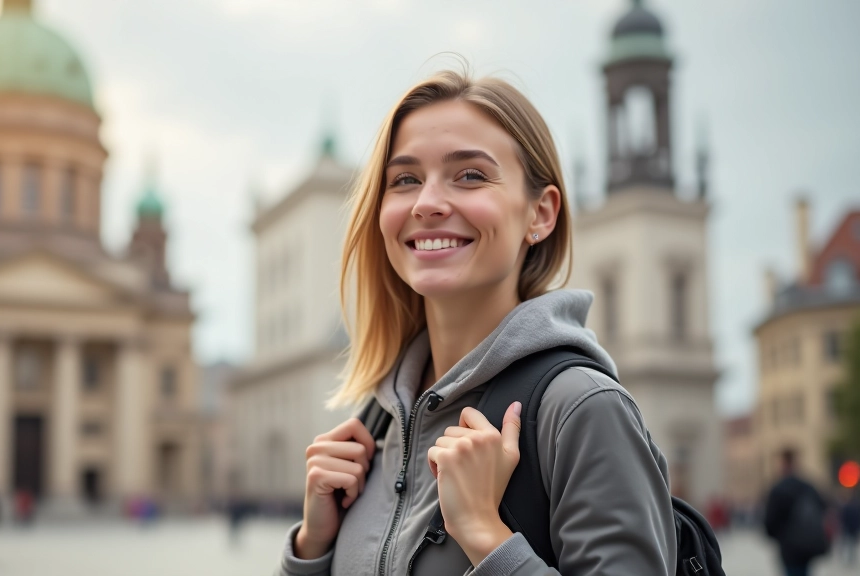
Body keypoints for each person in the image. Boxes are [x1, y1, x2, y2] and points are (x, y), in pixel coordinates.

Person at [277, 69, 676, 576]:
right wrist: (313, 548)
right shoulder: (375, 423)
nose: (427, 203)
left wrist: (487, 536)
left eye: (469, 175)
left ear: (541, 213)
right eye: (404, 179)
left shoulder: (582, 411)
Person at [763, 449, 829, 576]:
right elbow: (823, 507)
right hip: (808, 544)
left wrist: (779, 535)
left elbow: (770, 522)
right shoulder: (808, 486)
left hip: (788, 547)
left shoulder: (779, 489)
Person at [840, 491, 860, 566]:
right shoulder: (857, 507)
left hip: (847, 527)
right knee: (852, 544)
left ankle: (846, 557)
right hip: (853, 528)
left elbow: (843, 517)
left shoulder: (847, 507)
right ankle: (850, 557)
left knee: (846, 543)